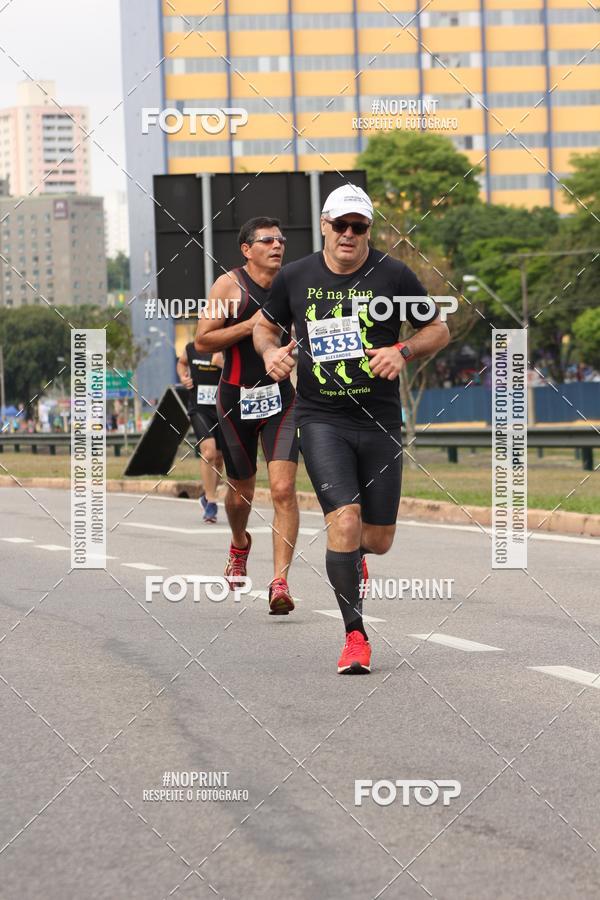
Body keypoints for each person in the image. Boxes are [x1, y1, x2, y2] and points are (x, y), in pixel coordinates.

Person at [254, 185, 450, 673]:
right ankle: (355, 636)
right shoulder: (295, 276)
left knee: (377, 538)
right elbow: (265, 326)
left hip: (379, 420)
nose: (347, 234)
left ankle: (352, 555)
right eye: (339, 224)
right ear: (324, 224)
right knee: (343, 520)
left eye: (357, 226)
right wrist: (270, 353)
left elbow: (438, 329)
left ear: (368, 230)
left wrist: (402, 351)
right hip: (321, 418)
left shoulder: (394, 275)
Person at [194, 217, 299, 614]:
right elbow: (203, 339)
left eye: (281, 239)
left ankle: (279, 582)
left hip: (281, 400)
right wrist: (251, 325)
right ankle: (239, 542)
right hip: (236, 399)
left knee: (284, 489)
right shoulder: (229, 286)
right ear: (246, 248)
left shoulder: (293, 283)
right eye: (268, 240)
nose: (277, 245)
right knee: (242, 494)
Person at [176, 343, 224, 523]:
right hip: (199, 409)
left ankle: (207, 495)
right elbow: (181, 363)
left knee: (219, 458)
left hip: (223, 409)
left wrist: (223, 364)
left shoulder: (227, 348)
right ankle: (211, 503)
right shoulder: (191, 348)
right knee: (209, 452)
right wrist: (183, 376)